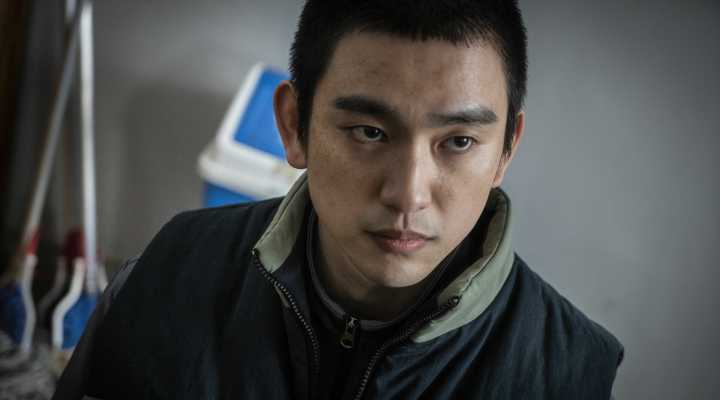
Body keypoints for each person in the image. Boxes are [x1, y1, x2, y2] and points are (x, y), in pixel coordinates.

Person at [53, 1, 624, 399]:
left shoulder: (569, 370)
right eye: (369, 132)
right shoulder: (170, 270)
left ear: (505, 150)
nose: (408, 193)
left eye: (458, 142)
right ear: (294, 126)